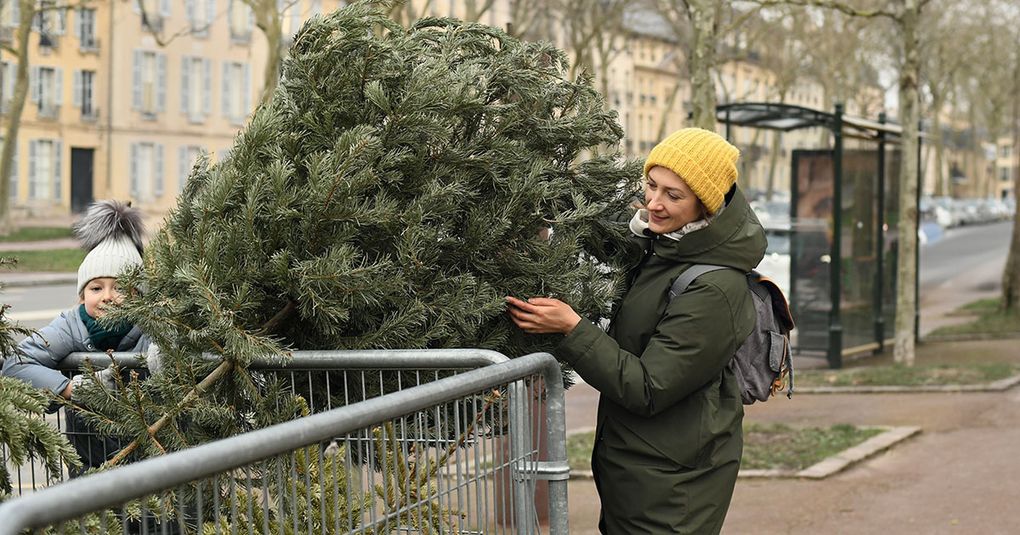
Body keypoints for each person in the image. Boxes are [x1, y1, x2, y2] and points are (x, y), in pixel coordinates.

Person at [506, 128, 766, 533]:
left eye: (673, 195)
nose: (654, 203)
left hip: (672, 492)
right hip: (641, 475)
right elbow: (609, 233)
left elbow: (649, 387)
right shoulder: (663, 246)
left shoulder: (714, 288)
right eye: (651, 185)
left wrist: (572, 328)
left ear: (706, 204)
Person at [2, 200, 153, 475]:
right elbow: (16, 364)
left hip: (152, 466)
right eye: (96, 288)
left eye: (119, 287)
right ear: (82, 296)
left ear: (137, 295)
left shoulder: (151, 326)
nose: (107, 296)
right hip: (89, 468)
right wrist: (73, 389)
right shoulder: (71, 326)